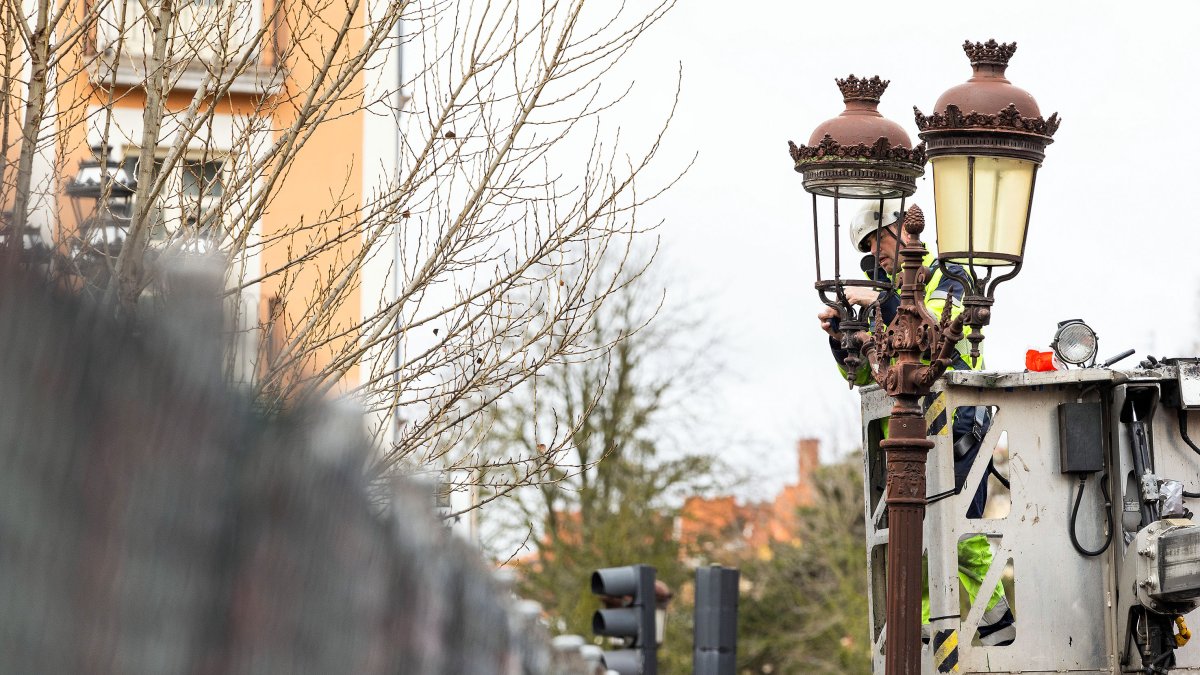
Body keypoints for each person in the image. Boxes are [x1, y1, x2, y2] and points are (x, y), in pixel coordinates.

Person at [819, 198, 1015, 647]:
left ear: (898, 229)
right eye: (867, 246)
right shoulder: (881, 294)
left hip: (957, 425)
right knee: (914, 539)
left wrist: (883, 305)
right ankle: (922, 638)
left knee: (960, 534)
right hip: (906, 435)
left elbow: (935, 339)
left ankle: (998, 627)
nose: (875, 253)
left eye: (877, 240)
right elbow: (868, 374)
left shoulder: (948, 277)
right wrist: (843, 340)